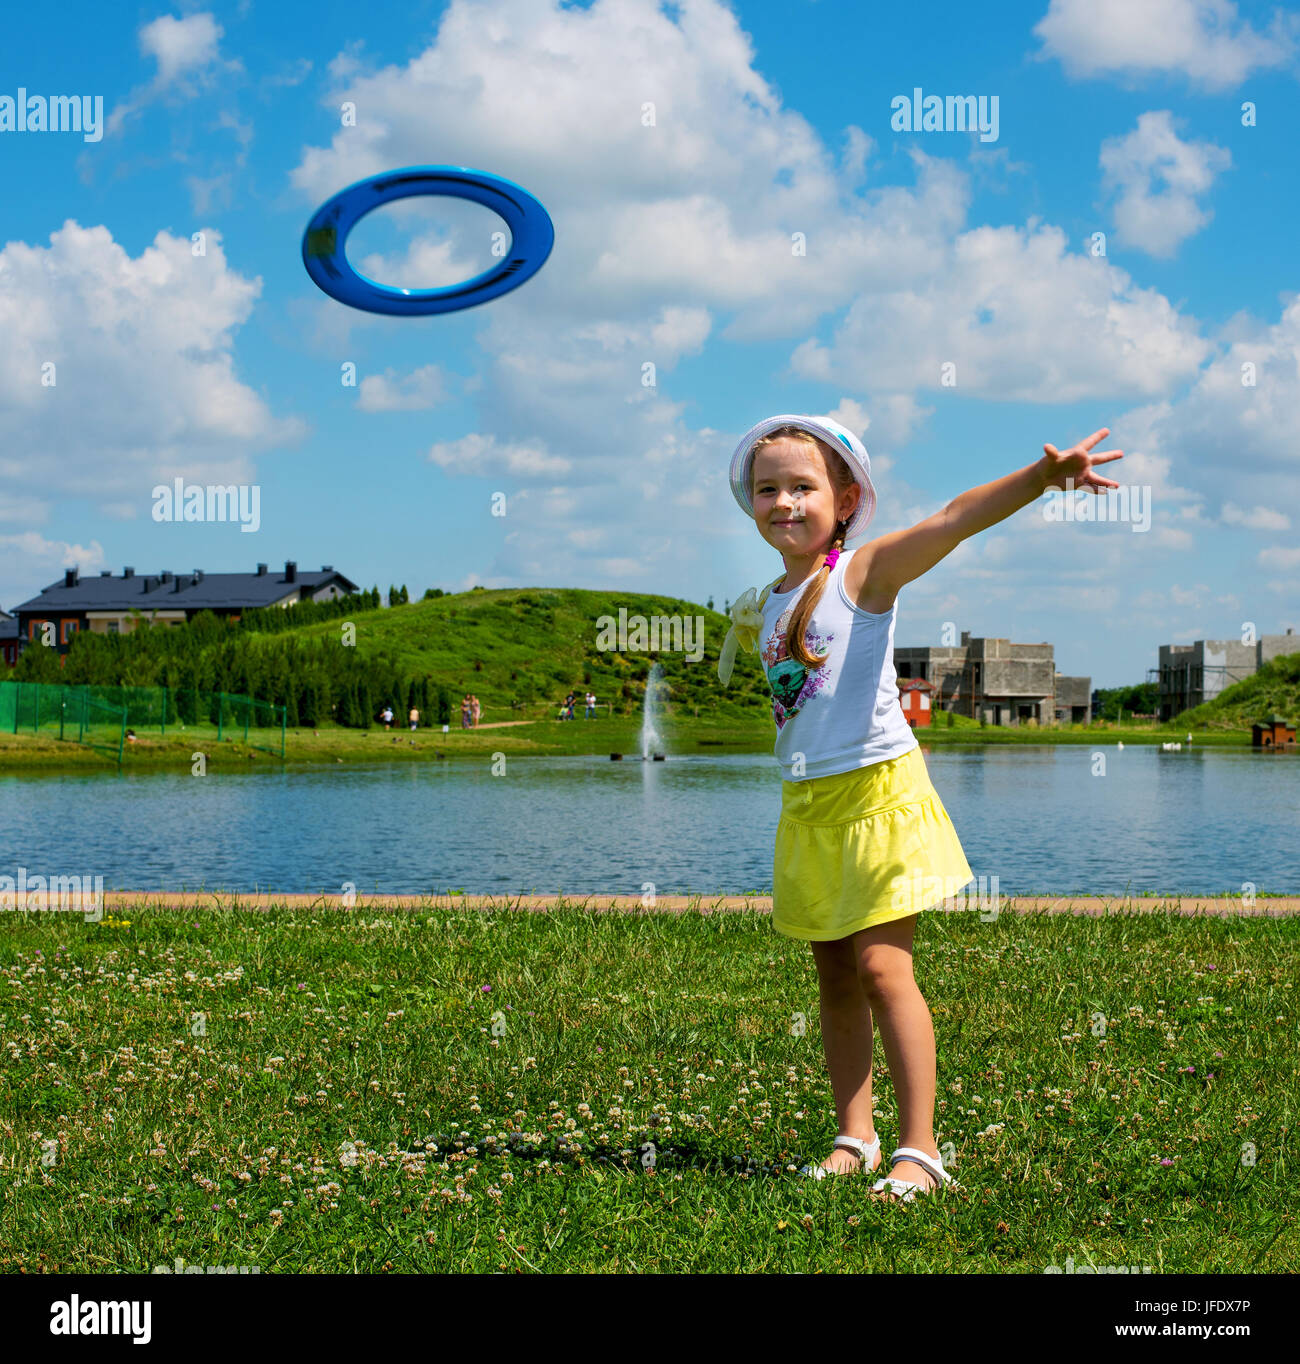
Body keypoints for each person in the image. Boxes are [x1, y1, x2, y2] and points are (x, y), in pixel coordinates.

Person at [718, 413, 1122, 1199]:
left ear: (843, 498)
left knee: (881, 967)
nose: (784, 503)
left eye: (802, 487)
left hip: (879, 794)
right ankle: (854, 1135)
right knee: (833, 971)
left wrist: (1041, 480)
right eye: (767, 489)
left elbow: (953, 519)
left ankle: (921, 1149)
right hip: (808, 804)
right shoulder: (766, 601)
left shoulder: (864, 574)